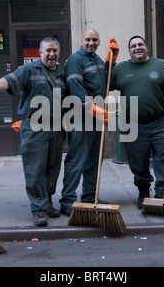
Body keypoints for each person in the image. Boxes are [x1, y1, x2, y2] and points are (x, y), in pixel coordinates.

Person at [0, 37, 66, 226]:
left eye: (55, 51)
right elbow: (9, 81)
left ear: (59, 53)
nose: (52, 54)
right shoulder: (29, 70)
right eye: (48, 50)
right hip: (34, 127)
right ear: (40, 53)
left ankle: (47, 202)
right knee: (35, 169)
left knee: (52, 169)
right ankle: (38, 209)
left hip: (56, 127)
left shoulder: (62, 73)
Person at [110, 35, 164, 209]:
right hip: (132, 123)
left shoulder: (160, 65)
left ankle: (162, 194)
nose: (137, 48)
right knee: (137, 161)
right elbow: (106, 84)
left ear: (146, 47)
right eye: (133, 46)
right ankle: (144, 191)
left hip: (160, 122)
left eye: (140, 44)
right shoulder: (120, 69)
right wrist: (109, 64)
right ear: (129, 51)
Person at [59, 29, 119, 215]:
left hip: (96, 117)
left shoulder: (97, 59)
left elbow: (108, 80)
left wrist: (111, 60)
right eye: (88, 39)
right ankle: (67, 201)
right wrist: (92, 108)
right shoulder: (76, 60)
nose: (91, 43)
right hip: (81, 117)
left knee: (94, 159)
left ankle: (89, 196)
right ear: (81, 40)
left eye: (94, 40)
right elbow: (74, 86)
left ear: (99, 42)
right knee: (77, 159)